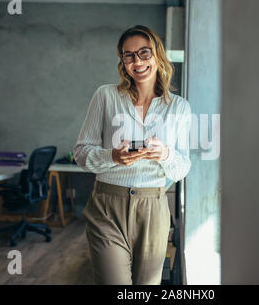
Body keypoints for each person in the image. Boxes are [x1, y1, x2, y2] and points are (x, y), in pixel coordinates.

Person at [73, 25, 192, 285]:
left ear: (158, 55)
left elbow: (183, 168)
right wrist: (113, 157)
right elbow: (81, 153)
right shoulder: (105, 96)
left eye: (143, 52)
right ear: (123, 61)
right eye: (128, 55)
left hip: (153, 208)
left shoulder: (180, 108)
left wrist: (165, 154)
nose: (136, 61)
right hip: (107, 207)